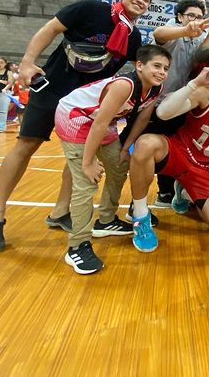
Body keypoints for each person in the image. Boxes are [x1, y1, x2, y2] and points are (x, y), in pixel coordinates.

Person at [0, 0, 154, 253]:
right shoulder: (90, 9)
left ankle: (60, 212)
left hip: (83, 104)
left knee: (80, 154)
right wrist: (26, 62)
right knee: (26, 145)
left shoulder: (134, 37)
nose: (140, 0)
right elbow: (50, 29)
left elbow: (148, 57)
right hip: (53, 89)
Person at [56, 44, 169, 274]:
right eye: (156, 66)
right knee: (86, 182)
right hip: (76, 116)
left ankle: (105, 220)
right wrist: (88, 162)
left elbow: (142, 119)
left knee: (119, 166)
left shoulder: (155, 89)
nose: (162, 72)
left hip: (102, 121)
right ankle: (77, 245)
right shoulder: (124, 85)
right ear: (139, 65)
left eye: (166, 68)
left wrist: (124, 148)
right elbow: (97, 123)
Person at [129, 62, 209, 248]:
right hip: (179, 152)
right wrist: (194, 84)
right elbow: (162, 112)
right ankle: (140, 216)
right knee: (145, 144)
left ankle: (184, 193)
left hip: (205, 171)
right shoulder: (207, 94)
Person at [148, 0, 209, 209]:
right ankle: (141, 201)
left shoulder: (199, 39)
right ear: (179, 16)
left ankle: (169, 192)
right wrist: (185, 29)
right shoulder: (173, 32)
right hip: (152, 102)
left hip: (178, 103)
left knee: (175, 149)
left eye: (199, 17)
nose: (195, 21)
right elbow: (158, 34)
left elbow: (208, 52)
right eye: (191, 16)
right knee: (148, 149)